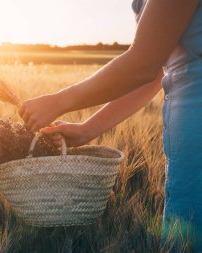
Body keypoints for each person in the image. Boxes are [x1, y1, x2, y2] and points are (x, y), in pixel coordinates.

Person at [18, 0, 202, 251]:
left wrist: (58, 102)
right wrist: (86, 130)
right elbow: (155, 71)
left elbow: (142, 64)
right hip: (185, 141)